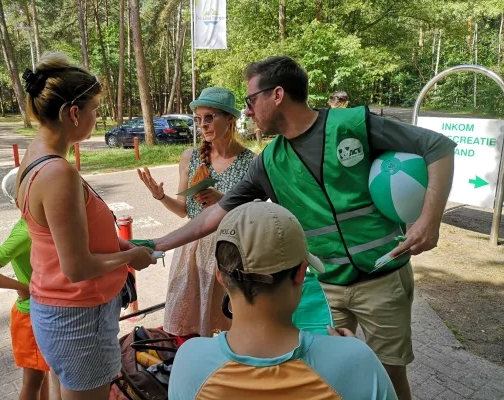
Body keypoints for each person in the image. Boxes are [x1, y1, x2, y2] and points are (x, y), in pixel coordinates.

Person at [151, 56, 457, 400]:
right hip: (325, 286)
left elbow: (438, 147)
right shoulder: (269, 161)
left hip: (383, 277)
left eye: (252, 101)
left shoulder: (353, 124)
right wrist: (156, 245)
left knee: (389, 373)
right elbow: (214, 214)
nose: (248, 111)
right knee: (326, 372)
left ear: (277, 94)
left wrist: (430, 221)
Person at [15, 51, 156, 400]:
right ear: (73, 113)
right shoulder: (58, 173)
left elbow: (56, 241)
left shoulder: (32, 160)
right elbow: (77, 267)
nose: (97, 118)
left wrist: (119, 246)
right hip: (79, 318)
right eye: (95, 110)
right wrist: (131, 258)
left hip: (56, 310)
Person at [169, 201, 398, 400]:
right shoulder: (356, 362)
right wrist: (346, 351)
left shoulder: (190, 362)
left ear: (220, 276)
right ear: (301, 273)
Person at [138, 87, 256, 337]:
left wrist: (222, 200)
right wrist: (160, 197)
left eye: (210, 117)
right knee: (190, 325)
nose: (202, 125)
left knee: (233, 323)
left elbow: (254, 215)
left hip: (232, 248)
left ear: (230, 119)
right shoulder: (190, 157)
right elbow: (183, 211)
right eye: (198, 119)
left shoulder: (251, 161)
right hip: (193, 247)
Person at [0, 167, 51, 400]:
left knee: (42, 377)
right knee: (33, 382)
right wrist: (23, 287)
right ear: (21, 200)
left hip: (41, 311)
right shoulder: (25, 231)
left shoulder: (40, 224)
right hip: (30, 316)